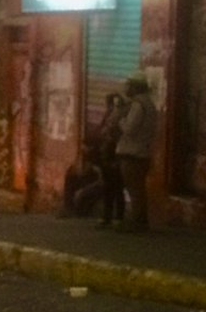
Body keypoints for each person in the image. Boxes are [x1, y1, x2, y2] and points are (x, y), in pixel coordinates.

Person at [115, 75, 159, 233]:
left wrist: (120, 119)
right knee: (138, 189)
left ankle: (138, 221)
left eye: (129, 85)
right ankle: (140, 220)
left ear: (135, 87)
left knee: (134, 189)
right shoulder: (149, 104)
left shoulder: (138, 105)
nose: (126, 88)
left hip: (133, 153)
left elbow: (129, 129)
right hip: (142, 152)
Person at [95, 93, 126, 227]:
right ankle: (108, 216)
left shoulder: (119, 116)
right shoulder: (109, 116)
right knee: (109, 187)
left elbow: (111, 132)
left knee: (116, 186)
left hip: (115, 154)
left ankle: (116, 216)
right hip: (108, 154)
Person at [57, 143, 102, 218]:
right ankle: (68, 208)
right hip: (86, 183)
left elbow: (100, 182)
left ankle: (78, 210)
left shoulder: (96, 170)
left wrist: (83, 191)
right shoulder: (82, 169)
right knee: (71, 177)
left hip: (94, 187)